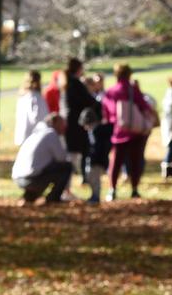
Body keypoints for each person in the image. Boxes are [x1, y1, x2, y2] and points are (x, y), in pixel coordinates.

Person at [100, 63, 154, 201]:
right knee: (135, 161)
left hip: (119, 132)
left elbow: (107, 113)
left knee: (116, 162)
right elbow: (144, 106)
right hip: (135, 132)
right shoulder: (132, 90)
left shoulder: (111, 91)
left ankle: (112, 189)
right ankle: (134, 189)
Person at [11, 114, 73, 205]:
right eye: (62, 124)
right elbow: (62, 158)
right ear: (54, 123)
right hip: (31, 179)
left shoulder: (37, 133)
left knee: (45, 168)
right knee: (66, 167)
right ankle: (53, 198)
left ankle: (29, 197)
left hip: (18, 177)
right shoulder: (51, 134)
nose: (65, 127)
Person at [60, 58, 96, 185]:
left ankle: (71, 179)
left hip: (70, 121)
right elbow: (88, 100)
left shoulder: (66, 83)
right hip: (77, 122)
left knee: (73, 151)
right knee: (79, 150)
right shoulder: (75, 83)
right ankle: (73, 179)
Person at [77, 108, 110, 204]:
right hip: (95, 159)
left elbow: (97, 148)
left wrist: (93, 158)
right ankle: (94, 195)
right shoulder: (94, 131)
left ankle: (96, 196)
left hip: (97, 160)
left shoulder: (96, 132)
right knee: (91, 177)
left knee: (95, 179)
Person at [13, 70, 48, 146]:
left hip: (23, 134)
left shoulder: (22, 96)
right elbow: (37, 117)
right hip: (33, 136)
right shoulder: (35, 97)